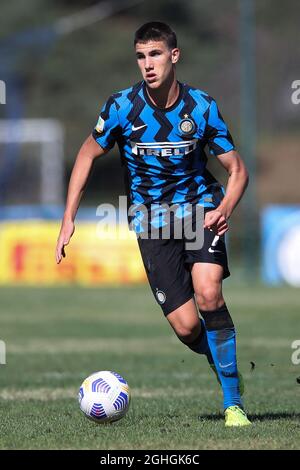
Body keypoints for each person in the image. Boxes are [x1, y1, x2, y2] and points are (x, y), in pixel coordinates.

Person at [56, 22, 251, 427]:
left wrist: (225, 208)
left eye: (156, 54)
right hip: (153, 223)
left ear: (174, 56)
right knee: (185, 327)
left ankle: (233, 402)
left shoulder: (201, 106)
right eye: (142, 56)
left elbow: (237, 170)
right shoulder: (122, 107)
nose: (148, 64)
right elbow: (86, 155)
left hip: (200, 211)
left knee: (209, 292)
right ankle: (224, 366)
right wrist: (68, 218)